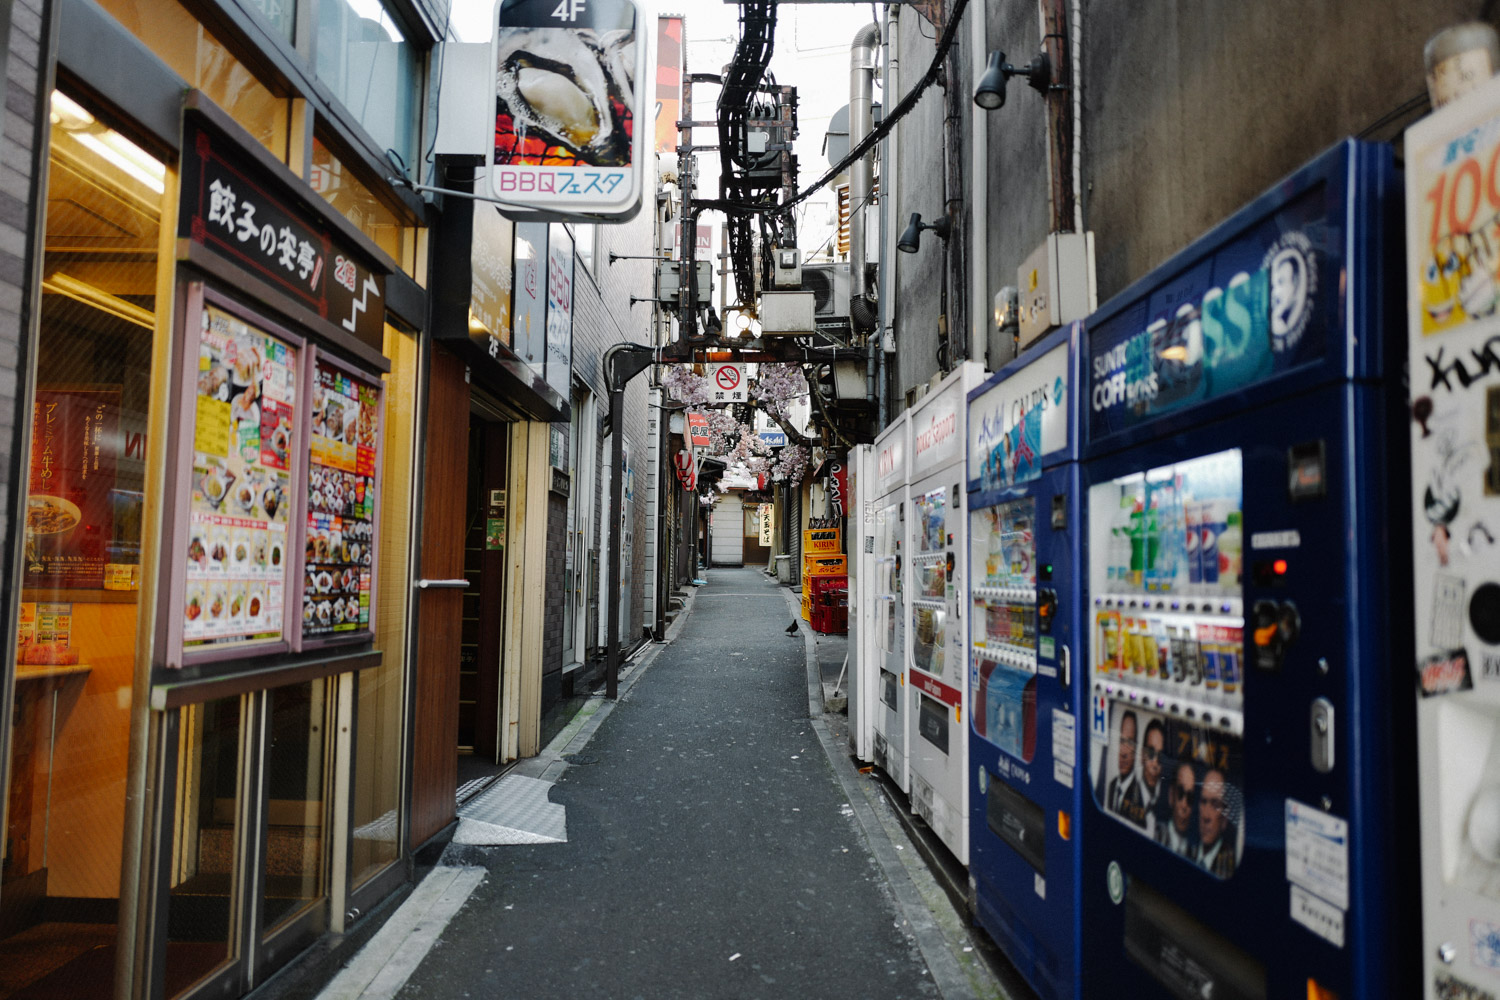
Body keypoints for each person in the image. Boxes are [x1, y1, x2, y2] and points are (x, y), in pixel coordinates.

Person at [1103, 710, 1145, 825]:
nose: (1124, 752)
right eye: (1122, 741)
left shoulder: (1139, 798)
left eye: (1130, 743)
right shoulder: (1112, 786)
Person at [1195, 767, 1238, 877]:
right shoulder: (1187, 850)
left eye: (1215, 805)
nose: (1206, 816)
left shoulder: (1231, 865)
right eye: (1203, 802)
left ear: (1225, 817)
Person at [1156, 761, 1199, 858]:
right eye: (1180, 793)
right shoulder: (1155, 833)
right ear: (1171, 796)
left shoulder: (1195, 853)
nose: (1184, 806)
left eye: (1190, 797)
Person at [1138, 719, 1168, 835]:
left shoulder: (1165, 802)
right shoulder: (1128, 795)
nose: (1155, 761)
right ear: (1142, 755)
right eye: (1151, 752)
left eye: (1160, 756)